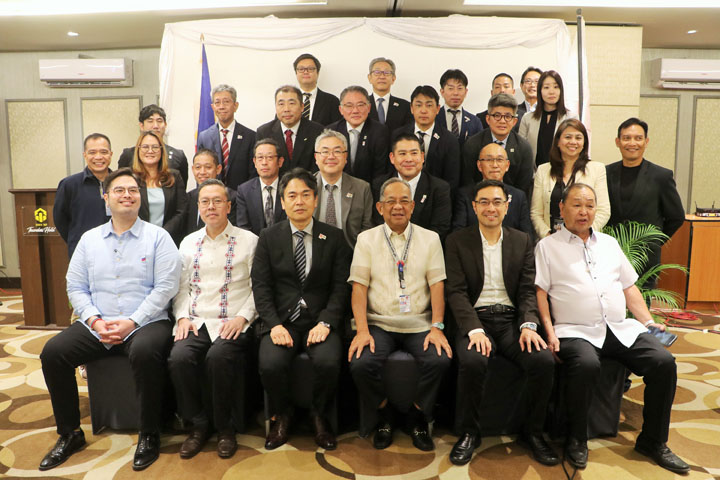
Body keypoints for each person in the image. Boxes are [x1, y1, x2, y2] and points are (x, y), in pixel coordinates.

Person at [535, 183, 690, 475]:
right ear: (562, 208)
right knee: (585, 364)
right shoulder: (547, 247)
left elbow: (629, 287)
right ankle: (576, 438)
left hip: (619, 328)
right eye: (577, 205)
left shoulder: (608, 244)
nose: (584, 212)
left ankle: (653, 441)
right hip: (574, 330)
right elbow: (540, 293)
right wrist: (550, 332)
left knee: (663, 363)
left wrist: (647, 322)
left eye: (590, 206)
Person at [39, 168, 181, 472]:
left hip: (147, 322)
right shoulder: (89, 240)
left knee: (145, 352)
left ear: (140, 198)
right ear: (106, 198)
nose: (126, 195)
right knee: (53, 353)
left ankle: (149, 433)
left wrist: (133, 320)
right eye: (119, 190)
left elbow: (167, 288)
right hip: (98, 322)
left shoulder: (159, 238)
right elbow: (75, 285)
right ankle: (70, 433)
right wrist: (93, 320)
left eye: (133, 190)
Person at [445, 179, 557, 466]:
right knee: (472, 361)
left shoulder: (522, 240)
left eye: (497, 202)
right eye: (483, 202)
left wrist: (529, 325)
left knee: (543, 360)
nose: (490, 208)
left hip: (511, 322)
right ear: (474, 207)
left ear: (507, 207)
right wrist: (473, 329)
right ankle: (469, 433)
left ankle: (533, 433)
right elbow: (456, 292)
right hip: (475, 319)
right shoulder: (458, 241)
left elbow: (527, 291)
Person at [349, 177, 451, 452]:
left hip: (420, 322)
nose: (398, 207)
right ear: (380, 207)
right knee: (360, 363)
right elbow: (359, 288)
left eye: (404, 201)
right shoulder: (366, 239)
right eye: (391, 202)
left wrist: (437, 326)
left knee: (440, 359)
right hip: (379, 322)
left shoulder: (430, 239)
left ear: (413, 206)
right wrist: (362, 330)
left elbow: (437, 285)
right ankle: (385, 414)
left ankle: (417, 416)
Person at [251, 168, 351, 451]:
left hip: (320, 320)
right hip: (283, 321)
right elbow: (261, 286)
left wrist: (327, 322)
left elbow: (340, 287)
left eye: (306, 195)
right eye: (292, 196)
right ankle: (283, 414)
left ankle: (319, 415)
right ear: (282, 202)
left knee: (329, 361)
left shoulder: (333, 237)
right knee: (270, 363)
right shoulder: (269, 237)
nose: (299, 201)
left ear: (316, 200)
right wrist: (274, 325)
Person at [169, 178, 257, 460]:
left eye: (217, 201)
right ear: (198, 207)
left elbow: (260, 289)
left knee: (218, 359)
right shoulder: (188, 242)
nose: (211, 207)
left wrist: (243, 318)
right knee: (179, 358)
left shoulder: (249, 241)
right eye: (205, 202)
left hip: (232, 320)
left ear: (229, 206)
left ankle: (226, 429)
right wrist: (182, 317)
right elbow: (181, 288)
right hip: (196, 320)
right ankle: (198, 426)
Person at [606, 118, 685, 287]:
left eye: (638, 138)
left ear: (646, 141)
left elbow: (677, 216)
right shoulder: (605, 173)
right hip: (610, 254)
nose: (632, 143)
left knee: (640, 310)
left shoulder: (661, 176)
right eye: (626, 138)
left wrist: (654, 240)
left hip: (645, 257)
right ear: (617, 142)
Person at [530, 119, 610, 239]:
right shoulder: (543, 170)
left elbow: (603, 211)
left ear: (584, 143)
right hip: (550, 240)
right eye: (568, 137)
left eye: (578, 138)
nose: (573, 142)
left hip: (583, 240)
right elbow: (536, 213)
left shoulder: (597, 169)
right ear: (557, 141)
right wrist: (547, 237)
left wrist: (584, 234)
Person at [372, 133, 451, 240]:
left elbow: (440, 228)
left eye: (414, 153)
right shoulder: (379, 184)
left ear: (422, 157)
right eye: (402, 153)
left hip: (424, 249)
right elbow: (377, 223)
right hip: (386, 247)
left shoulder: (439, 188)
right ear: (392, 158)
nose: (409, 159)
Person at [453, 143, 533, 237]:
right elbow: (458, 233)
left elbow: (527, 236)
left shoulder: (519, 196)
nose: (495, 165)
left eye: (499, 160)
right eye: (489, 160)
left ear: (507, 165)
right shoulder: (465, 195)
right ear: (479, 165)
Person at [462, 93, 534, 196]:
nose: (502, 121)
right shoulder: (473, 145)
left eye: (508, 116)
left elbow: (523, 189)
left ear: (514, 121)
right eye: (497, 115)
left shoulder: (523, 148)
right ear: (487, 119)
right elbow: (468, 183)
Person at [54, 133, 113, 259]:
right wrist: (76, 240)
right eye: (92, 152)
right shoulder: (69, 184)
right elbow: (60, 220)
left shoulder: (120, 183)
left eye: (104, 152)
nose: (98, 157)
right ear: (84, 155)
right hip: (83, 252)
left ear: (111, 154)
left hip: (117, 250)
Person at [392, 85, 461, 191]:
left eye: (429, 105)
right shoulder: (398, 135)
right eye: (418, 105)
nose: (423, 111)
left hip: (437, 198)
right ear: (411, 108)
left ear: (438, 109)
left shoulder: (449, 140)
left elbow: (452, 180)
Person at [312, 129, 374, 248]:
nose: (331, 156)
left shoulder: (362, 188)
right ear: (316, 157)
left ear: (345, 156)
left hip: (350, 253)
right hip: (313, 254)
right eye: (325, 152)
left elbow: (367, 231)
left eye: (337, 151)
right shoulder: (306, 186)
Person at [197, 84, 256, 191]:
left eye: (226, 102)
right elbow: (201, 172)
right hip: (213, 198)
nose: (221, 106)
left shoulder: (250, 136)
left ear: (235, 106)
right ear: (213, 107)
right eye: (217, 102)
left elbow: (253, 173)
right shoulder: (204, 137)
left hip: (241, 197)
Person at [132, 130, 187, 245]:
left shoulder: (174, 176)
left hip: (168, 240)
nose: (150, 151)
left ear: (162, 151)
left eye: (155, 147)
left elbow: (181, 211)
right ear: (138, 150)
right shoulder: (130, 179)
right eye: (145, 147)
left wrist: (162, 234)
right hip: (137, 240)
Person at [327, 85, 390, 183]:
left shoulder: (380, 132)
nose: (355, 111)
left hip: (369, 191)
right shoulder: (331, 131)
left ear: (369, 108)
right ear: (341, 110)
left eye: (360, 105)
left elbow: (380, 172)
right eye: (349, 106)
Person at [257, 85, 324, 174]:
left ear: (302, 107)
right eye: (281, 104)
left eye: (291, 103)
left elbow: (318, 168)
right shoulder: (264, 132)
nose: (286, 109)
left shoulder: (317, 131)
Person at [118, 104, 189, 186]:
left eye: (159, 121)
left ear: (165, 125)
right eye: (150, 121)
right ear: (141, 126)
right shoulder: (129, 154)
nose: (155, 126)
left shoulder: (178, 155)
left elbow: (181, 189)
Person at [518, 70, 577, 168]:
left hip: (562, 174)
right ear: (540, 90)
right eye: (546, 87)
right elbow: (521, 150)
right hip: (534, 176)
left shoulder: (570, 117)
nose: (551, 91)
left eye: (556, 87)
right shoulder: (527, 118)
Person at [236, 138, 287, 236]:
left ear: (280, 162)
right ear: (254, 162)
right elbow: (243, 228)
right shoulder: (244, 191)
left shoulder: (289, 187)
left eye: (269, 157)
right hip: (255, 246)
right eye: (260, 158)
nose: (264, 162)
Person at [184, 149, 237, 237]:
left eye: (208, 167)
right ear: (192, 169)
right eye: (198, 167)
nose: (202, 172)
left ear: (218, 169)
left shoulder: (232, 196)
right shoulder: (188, 198)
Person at [436, 69, 483, 145]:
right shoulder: (434, 119)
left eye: (460, 88)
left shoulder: (475, 122)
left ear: (465, 92)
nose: (455, 93)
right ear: (442, 92)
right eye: (450, 88)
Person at [367, 57, 413, 134]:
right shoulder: (361, 105)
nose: (382, 76)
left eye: (387, 72)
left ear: (393, 78)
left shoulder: (405, 106)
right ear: (369, 78)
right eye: (377, 72)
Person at [294, 53, 341, 126]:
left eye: (310, 69)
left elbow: (338, 129)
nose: (306, 72)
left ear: (318, 73)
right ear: (296, 73)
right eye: (301, 69)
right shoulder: (287, 100)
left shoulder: (332, 101)